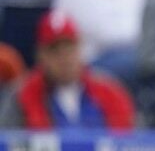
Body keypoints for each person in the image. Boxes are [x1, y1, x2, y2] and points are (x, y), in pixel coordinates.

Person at [0, 11, 135, 129]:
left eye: (69, 49)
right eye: (55, 50)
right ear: (40, 55)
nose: (64, 58)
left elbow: (131, 145)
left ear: (80, 49)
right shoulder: (21, 96)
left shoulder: (109, 90)